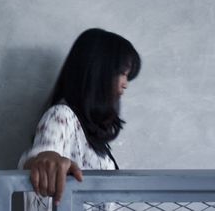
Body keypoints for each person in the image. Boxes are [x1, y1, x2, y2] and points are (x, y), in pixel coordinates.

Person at [18, 28, 141, 211]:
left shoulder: (88, 135)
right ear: (98, 72)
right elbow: (43, 156)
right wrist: (45, 159)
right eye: (122, 73)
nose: (126, 84)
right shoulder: (61, 116)